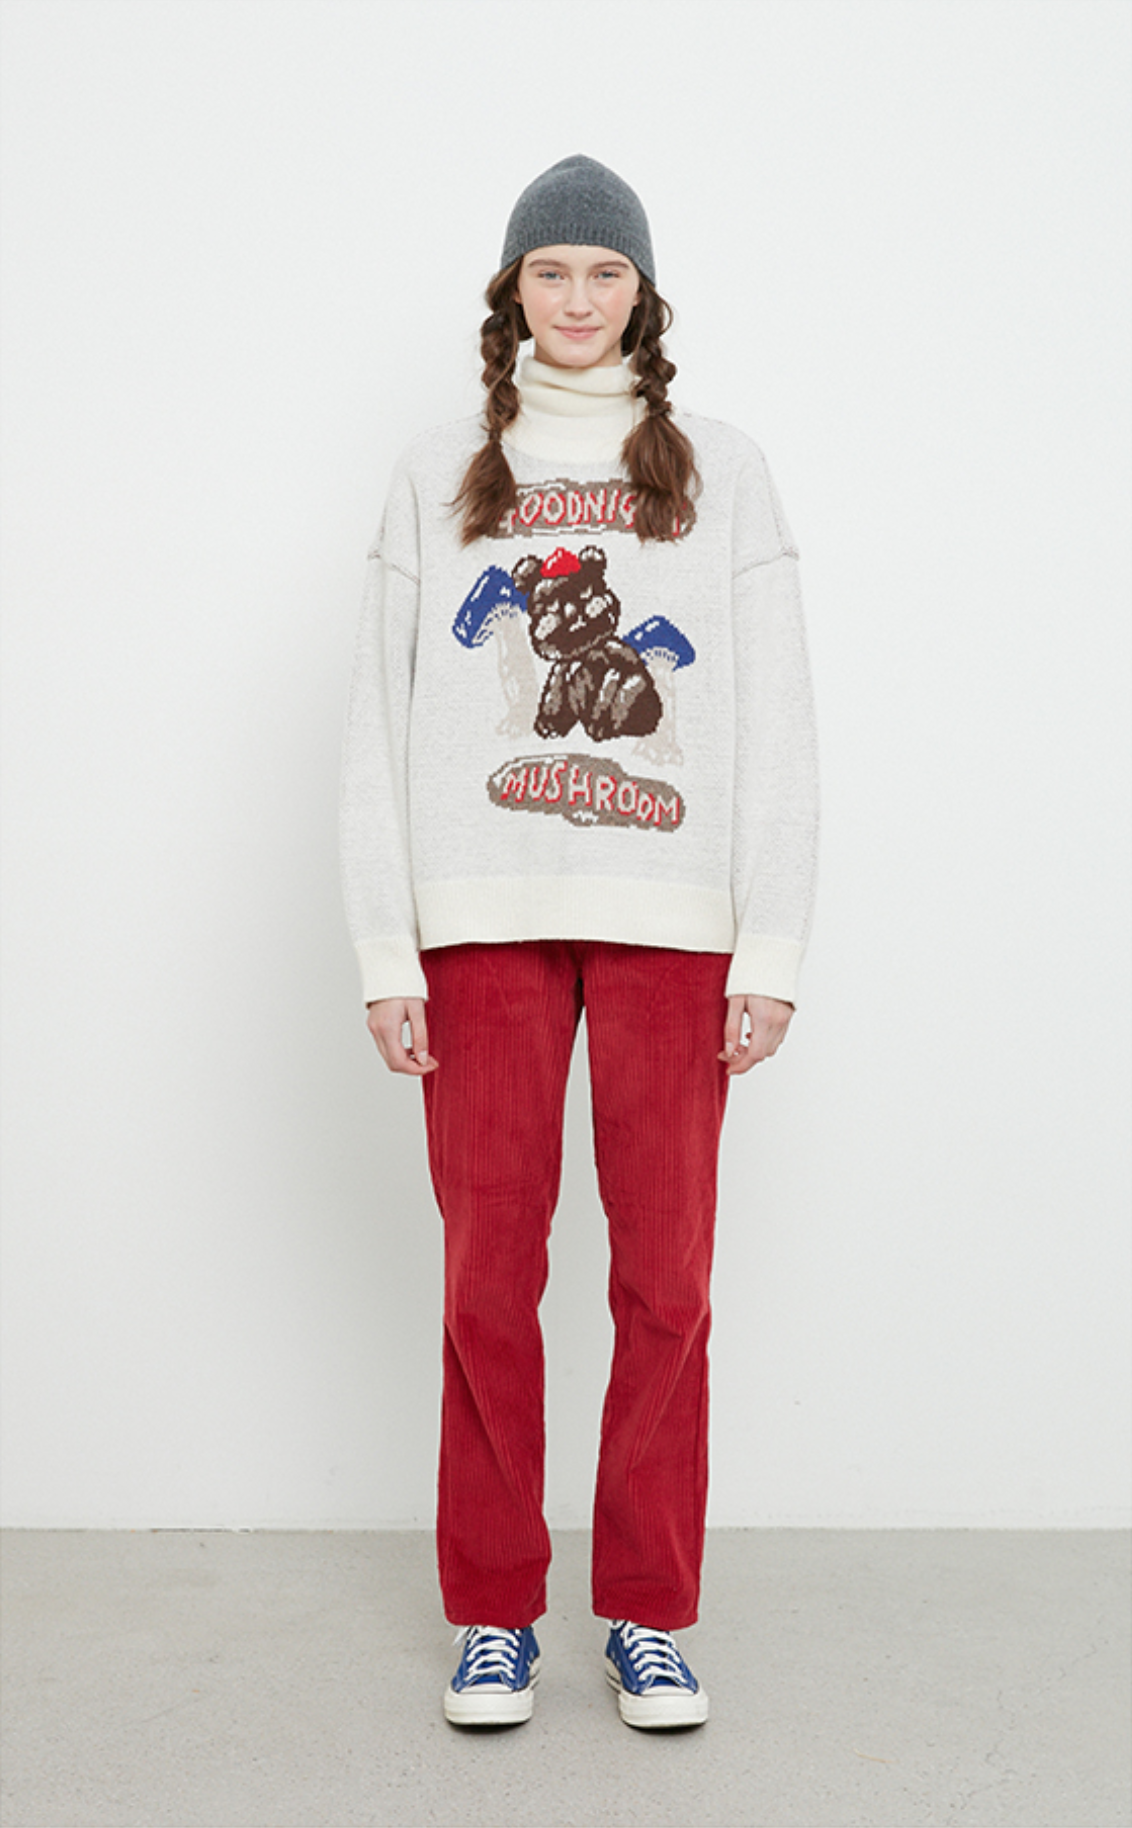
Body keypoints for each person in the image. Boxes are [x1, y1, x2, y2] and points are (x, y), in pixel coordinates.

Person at [339, 154, 819, 1730]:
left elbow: (775, 719)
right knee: (489, 1280)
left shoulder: (722, 472)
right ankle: (494, 1613)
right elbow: (380, 718)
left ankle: (646, 1613)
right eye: (550, 271)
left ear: (643, 297)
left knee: (665, 1280)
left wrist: (770, 945)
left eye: (604, 273)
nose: (577, 297)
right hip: (480, 923)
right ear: (511, 295)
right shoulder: (441, 473)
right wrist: (387, 949)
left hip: (673, 930)